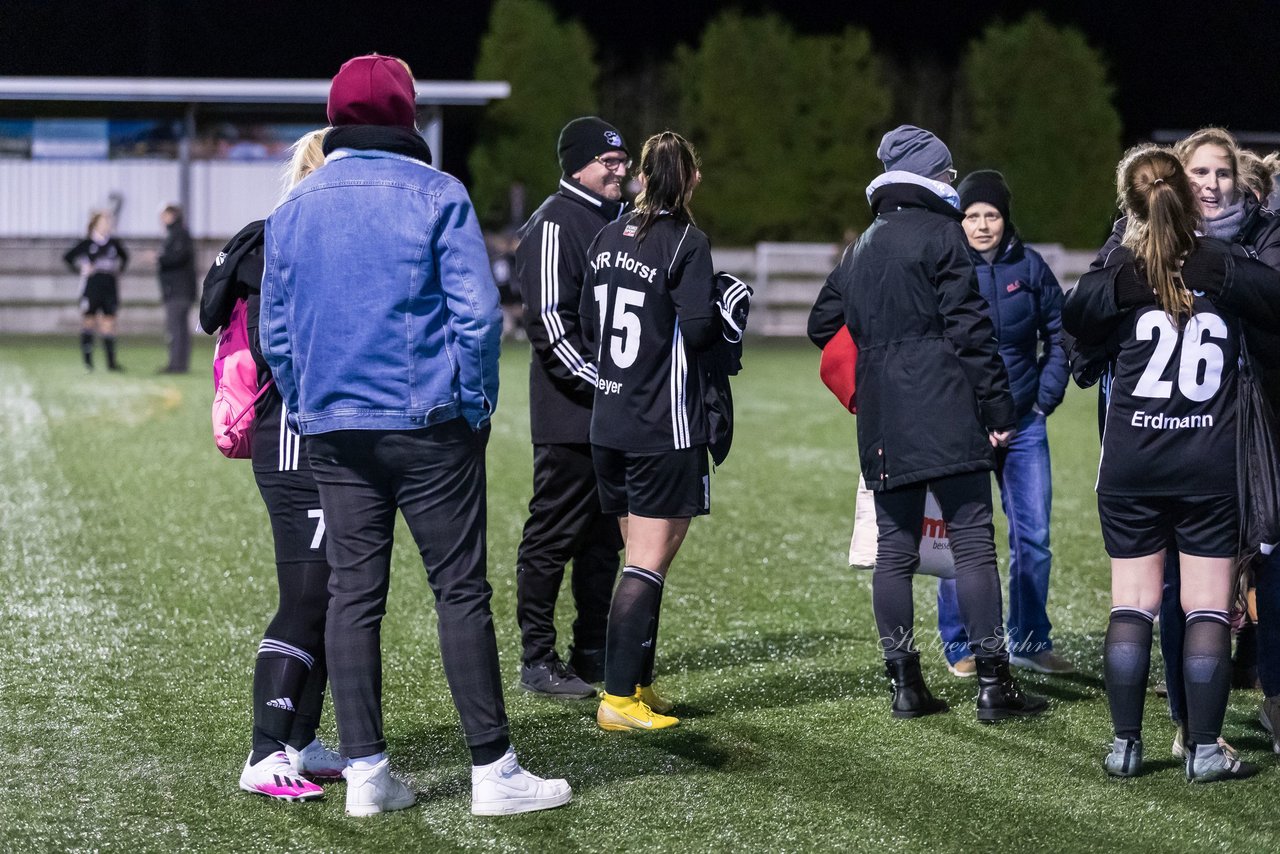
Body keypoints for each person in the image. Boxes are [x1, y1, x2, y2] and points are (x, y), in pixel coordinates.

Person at [260, 54, 570, 818]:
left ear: (337, 118)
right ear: (405, 117)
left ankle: (366, 774)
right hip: (428, 423)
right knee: (459, 590)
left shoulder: (295, 207)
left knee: (351, 596)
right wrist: (476, 405)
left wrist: (308, 404)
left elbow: (277, 332)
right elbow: (476, 316)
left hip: (335, 426)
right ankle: (492, 770)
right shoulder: (437, 192)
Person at [807, 124, 1047, 723]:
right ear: (930, 177)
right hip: (947, 409)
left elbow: (821, 323)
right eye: (945, 172)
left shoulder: (861, 246)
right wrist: (997, 409)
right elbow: (971, 330)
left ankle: (904, 685)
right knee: (971, 543)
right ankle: (994, 686)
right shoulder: (945, 236)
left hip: (885, 417)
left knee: (894, 550)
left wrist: (877, 359)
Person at [1064, 145, 1280, 782]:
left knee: (1131, 605)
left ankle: (1125, 746)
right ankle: (1206, 749)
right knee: (1209, 608)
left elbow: (1076, 321)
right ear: (1190, 199)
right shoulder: (1229, 267)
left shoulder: (1123, 272)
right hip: (1208, 465)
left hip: (1131, 465)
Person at [199, 129, 348, 802]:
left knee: (331, 595)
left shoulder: (311, 236)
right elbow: (277, 346)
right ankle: (264, 751)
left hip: (324, 435)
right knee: (307, 595)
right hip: (293, 436)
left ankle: (299, 739)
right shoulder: (285, 240)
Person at [580, 131, 718, 732]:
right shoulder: (688, 239)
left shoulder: (608, 233)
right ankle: (618, 699)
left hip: (608, 421)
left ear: (640, 176)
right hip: (662, 425)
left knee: (638, 559)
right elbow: (699, 329)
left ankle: (635, 680)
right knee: (647, 564)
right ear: (686, 179)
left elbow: (589, 323)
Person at [935, 170, 1072, 678]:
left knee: (1033, 538)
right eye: (972, 215)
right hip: (965, 426)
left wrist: (1042, 402)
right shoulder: (944, 267)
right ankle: (961, 646)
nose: (982, 224)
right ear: (960, 220)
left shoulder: (1030, 267)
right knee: (960, 539)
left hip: (1024, 425)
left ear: (1004, 218)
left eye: (991, 214)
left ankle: (1031, 641)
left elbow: (1062, 335)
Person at [511, 116, 629, 699]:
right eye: (608, 161)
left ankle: (591, 650)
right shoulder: (556, 222)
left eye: (623, 159)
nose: (620, 169)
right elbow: (551, 325)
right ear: (577, 164)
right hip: (570, 413)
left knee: (604, 539)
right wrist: (610, 387)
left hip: (612, 414)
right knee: (553, 535)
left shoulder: (618, 221)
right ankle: (537, 658)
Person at [64, 211, 128, 371]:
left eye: (108, 222)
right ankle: (88, 363)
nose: (106, 225)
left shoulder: (114, 243)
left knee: (109, 324)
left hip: (109, 288)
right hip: (91, 288)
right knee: (89, 322)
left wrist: (118, 270)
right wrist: (81, 268)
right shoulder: (86, 243)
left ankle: (111, 364)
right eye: (103, 222)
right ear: (95, 224)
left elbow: (125, 257)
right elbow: (68, 257)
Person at [155, 204, 197, 374]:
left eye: (164, 215)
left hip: (179, 290)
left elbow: (178, 258)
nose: (161, 219)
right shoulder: (177, 234)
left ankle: (176, 365)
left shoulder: (179, 234)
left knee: (176, 328)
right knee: (179, 328)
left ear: (172, 215)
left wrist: (160, 258)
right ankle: (179, 364)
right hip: (179, 289)